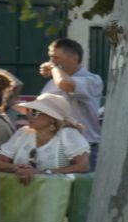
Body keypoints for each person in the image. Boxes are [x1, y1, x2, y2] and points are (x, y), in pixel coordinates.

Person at [0, 92, 92, 182]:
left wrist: (44, 173)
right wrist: (17, 168)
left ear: (52, 118)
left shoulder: (68, 134)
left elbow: (83, 166)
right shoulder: (23, 133)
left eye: (35, 112)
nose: (29, 115)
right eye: (28, 111)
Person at [39, 37, 103, 165]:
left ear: (74, 58)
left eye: (56, 58)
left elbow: (65, 84)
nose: (52, 62)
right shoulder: (51, 82)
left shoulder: (92, 80)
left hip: (84, 149)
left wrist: (53, 69)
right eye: (51, 58)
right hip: (53, 148)